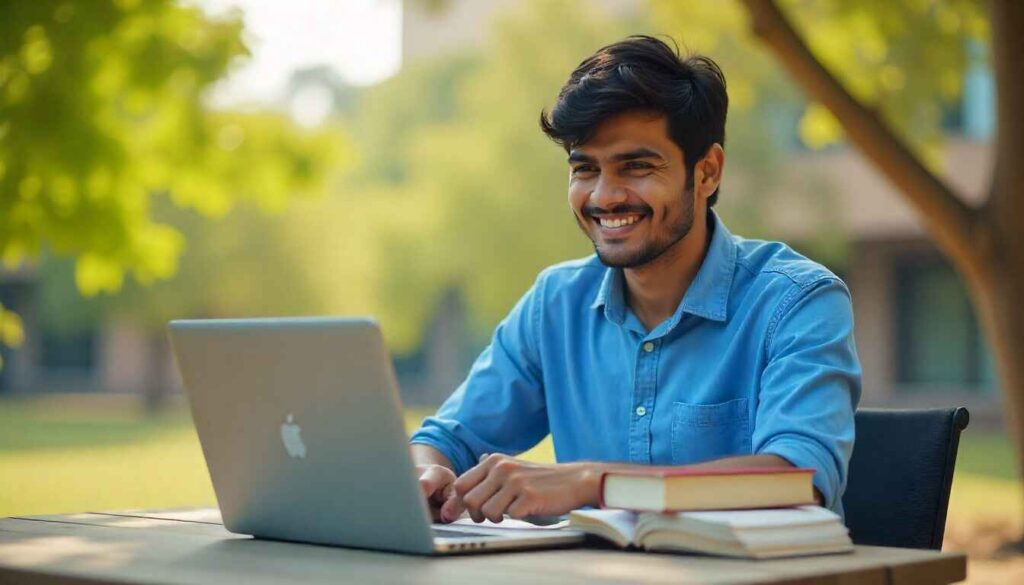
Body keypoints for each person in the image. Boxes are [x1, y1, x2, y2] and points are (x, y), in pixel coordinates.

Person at [409, 35, 861, 525]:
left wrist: (591, 483)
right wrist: (427, 476)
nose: (605, 196)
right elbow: (443, 441)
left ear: (706, 172)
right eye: (585, 169)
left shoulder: (797, 301)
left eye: (636, 166)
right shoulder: (556, 304)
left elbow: (796, 480)